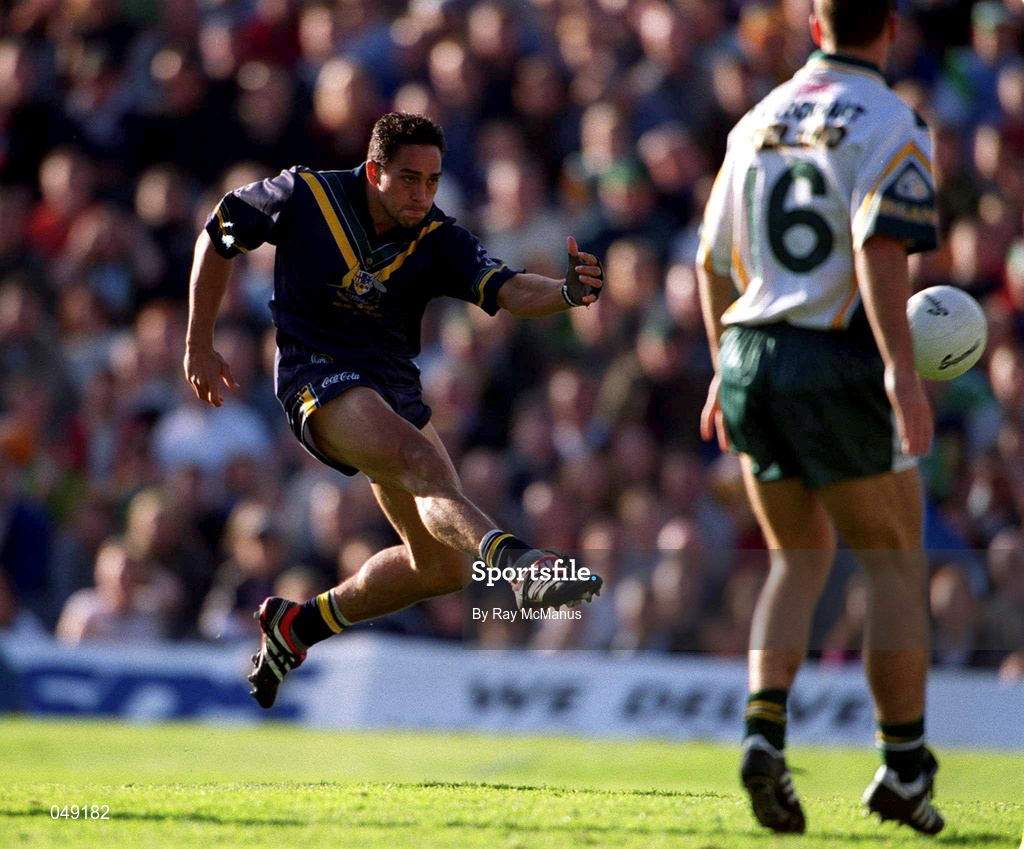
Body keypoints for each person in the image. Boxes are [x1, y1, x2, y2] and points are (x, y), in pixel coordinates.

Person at [184, 112, 605, 710]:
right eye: (409, 179)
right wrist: (199, 342)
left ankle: (298, 627)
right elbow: (220, 231)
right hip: (316, 375)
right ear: (374, 170)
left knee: (438, 571)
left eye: (432, 181)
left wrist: (565, 293)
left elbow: (509, 288)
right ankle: (521, 567)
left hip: (393, 390)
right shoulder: (308, 195)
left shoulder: (439, 237)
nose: (422, 194)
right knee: (417, 461)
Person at [696, 0, 944, 836]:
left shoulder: (756, 119)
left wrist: (716, 369)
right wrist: (902, 371)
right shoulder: (892, 121)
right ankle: (905, 768)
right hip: (830, 353)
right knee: (895, 562)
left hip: (747, 353)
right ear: (892, 28)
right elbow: (879, 250)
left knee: (794, 558)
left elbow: (707, 261)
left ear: (813, 26)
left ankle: (763, 729)